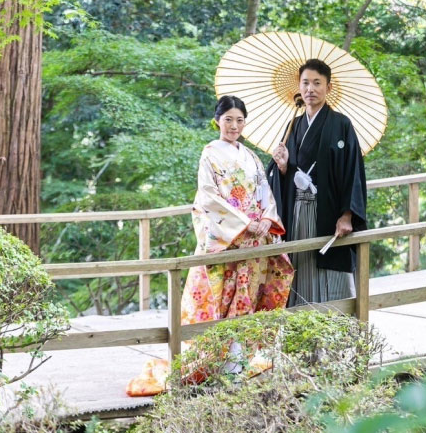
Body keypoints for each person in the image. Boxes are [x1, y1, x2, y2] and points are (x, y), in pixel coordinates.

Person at [126, 95, 293, 397]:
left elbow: (266, 193)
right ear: (217, 121)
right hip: (228, 241)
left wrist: (266, 220)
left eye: (240, 120)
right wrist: (243, 223)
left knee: (249, 298)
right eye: (228, 119)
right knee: (222, 300)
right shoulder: (210, 155)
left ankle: (239, 361)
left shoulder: (252, 157)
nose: (234, 125)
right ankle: (220, 364)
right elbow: (207, 198)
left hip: (254, 241)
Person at [267, 58, 367, 306]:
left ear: (328, 88)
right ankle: (302, 333)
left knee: (331, 273)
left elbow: (352, 171)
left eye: (317, 83)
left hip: (329, 213)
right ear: (299, 87)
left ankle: (335, 334)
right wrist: (282, 167)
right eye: (305, 83)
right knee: (299, 269)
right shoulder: (294, 125)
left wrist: (347, 216)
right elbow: (283, 175)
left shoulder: (341, 125)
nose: (310, 89)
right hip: (297, 212)